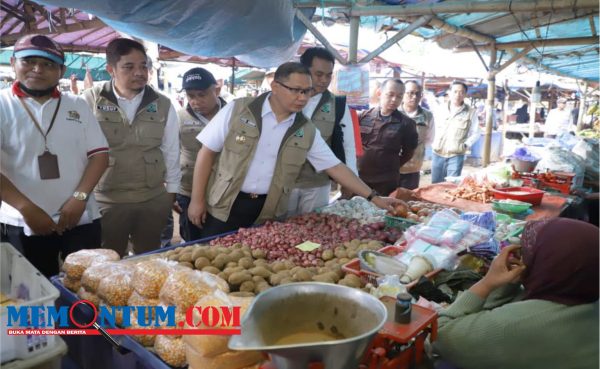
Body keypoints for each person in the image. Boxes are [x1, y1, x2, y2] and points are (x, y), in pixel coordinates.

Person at [187, 62, 400, 238]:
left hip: (267, 211)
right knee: (210, 260)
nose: (303, 98)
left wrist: (374, 198)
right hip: (224, 205)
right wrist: (197, 200)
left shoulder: (305, 130)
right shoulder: (238, 110)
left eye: (307, 91)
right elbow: (206, 152)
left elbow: (335, 167)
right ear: (276, 86)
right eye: (296, 91)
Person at [0, 34, 109, 277]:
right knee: (32, 291)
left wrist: (80, 198)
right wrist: (26, 207)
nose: (38, 69)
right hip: (22, 222)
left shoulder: (78, 104)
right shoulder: (3, 104)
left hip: (80, 217)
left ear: (60, 70)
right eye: (29, 61)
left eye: (48, 64)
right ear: (14, 63)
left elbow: (100, 155)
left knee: (86, 287)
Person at [435, 218, 599, 369]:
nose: (523, 257)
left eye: (528, 253)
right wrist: (507, 285)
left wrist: (487, 283)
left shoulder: (517, 325)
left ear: (548, 263)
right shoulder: (586, 295)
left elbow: (438, 337)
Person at [82, 38, 181, 256]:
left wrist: (171, 192)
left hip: (151, 198)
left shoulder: (163, 104)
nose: (139, 72)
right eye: (129, 66)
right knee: (108, 258)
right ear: (111, 69)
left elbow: (171, 150)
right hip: (107, 200)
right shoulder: (90, 100)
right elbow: (79, 151)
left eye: (143, 66)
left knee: (148, 258)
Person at [287, 47, 358, 216]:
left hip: (317, 184)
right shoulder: (284, 99)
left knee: (311, 232)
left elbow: (348, 146)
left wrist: (350, 181)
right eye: (318, 74)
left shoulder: (338, 105)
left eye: (328, 75)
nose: (324, 80)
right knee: (280, 232)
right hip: (283, 182)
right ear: (303, 70)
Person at [176, 67, 227, 242]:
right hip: (188, 191)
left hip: (223, 193)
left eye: (202, 94)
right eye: (191, 96)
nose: (196, 101)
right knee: (192, 240)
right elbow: (169, 154)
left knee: (219, 240)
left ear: (217, 90)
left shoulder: (233, 115)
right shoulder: (179, 118)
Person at [358, 78, 418, 196]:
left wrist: (391, 166)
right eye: (390, 95)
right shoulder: (363, 116)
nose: (394, 100)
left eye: (399, 96)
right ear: (379, 93)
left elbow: (408, 153)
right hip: (360, 178)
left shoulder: (407, 124)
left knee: (382, 211)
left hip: (386, 181)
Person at [431, 81, 480, 183]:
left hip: (456, 155)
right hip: (437, 153)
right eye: (455, 91)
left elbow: (476, 133)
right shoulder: (440, 109)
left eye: (461, 92)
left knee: (451, 185)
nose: (458, 95)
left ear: (465, 94)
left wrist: (465, 145)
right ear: (449, 92)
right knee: (435, 185)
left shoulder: (471, 112)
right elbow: (432, 127)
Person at [398, 80, 434, 190]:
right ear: (403, 94)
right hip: (392, 168)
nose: (414, 97)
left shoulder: (427, 116)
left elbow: (429, 139)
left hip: (413, 170)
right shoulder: (394, 112)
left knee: (409, 202)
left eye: (417, 94)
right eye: (410, 93)